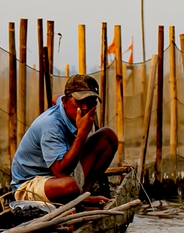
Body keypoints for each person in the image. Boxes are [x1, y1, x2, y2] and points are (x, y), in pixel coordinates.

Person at [9, 73, 119, 204]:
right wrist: (82, 133)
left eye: (90, 102)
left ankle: (83, 196)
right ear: (66, 102)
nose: (85, 107)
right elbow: (61, 172)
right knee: (69, 186)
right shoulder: (51, 125)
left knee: (107, 137)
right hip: (30, 184)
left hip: (56, 177)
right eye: (80, 102)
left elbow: (56, 98)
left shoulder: (68, 106)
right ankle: (81, 201)